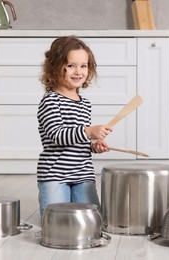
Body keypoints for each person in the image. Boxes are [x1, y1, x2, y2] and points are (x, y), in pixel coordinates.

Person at [37, 36, 112, 217]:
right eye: (71, 66)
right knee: (56, 219)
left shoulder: (84, 104)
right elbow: (58, 136)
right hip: (55, 173)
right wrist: (88, 131)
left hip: (82, 172)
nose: (78, 71)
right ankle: (49, 194)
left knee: (93, 218)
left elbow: (78, 142)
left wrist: (93, 146)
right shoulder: (50, 101)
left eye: (83, 66)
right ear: (55, 67)